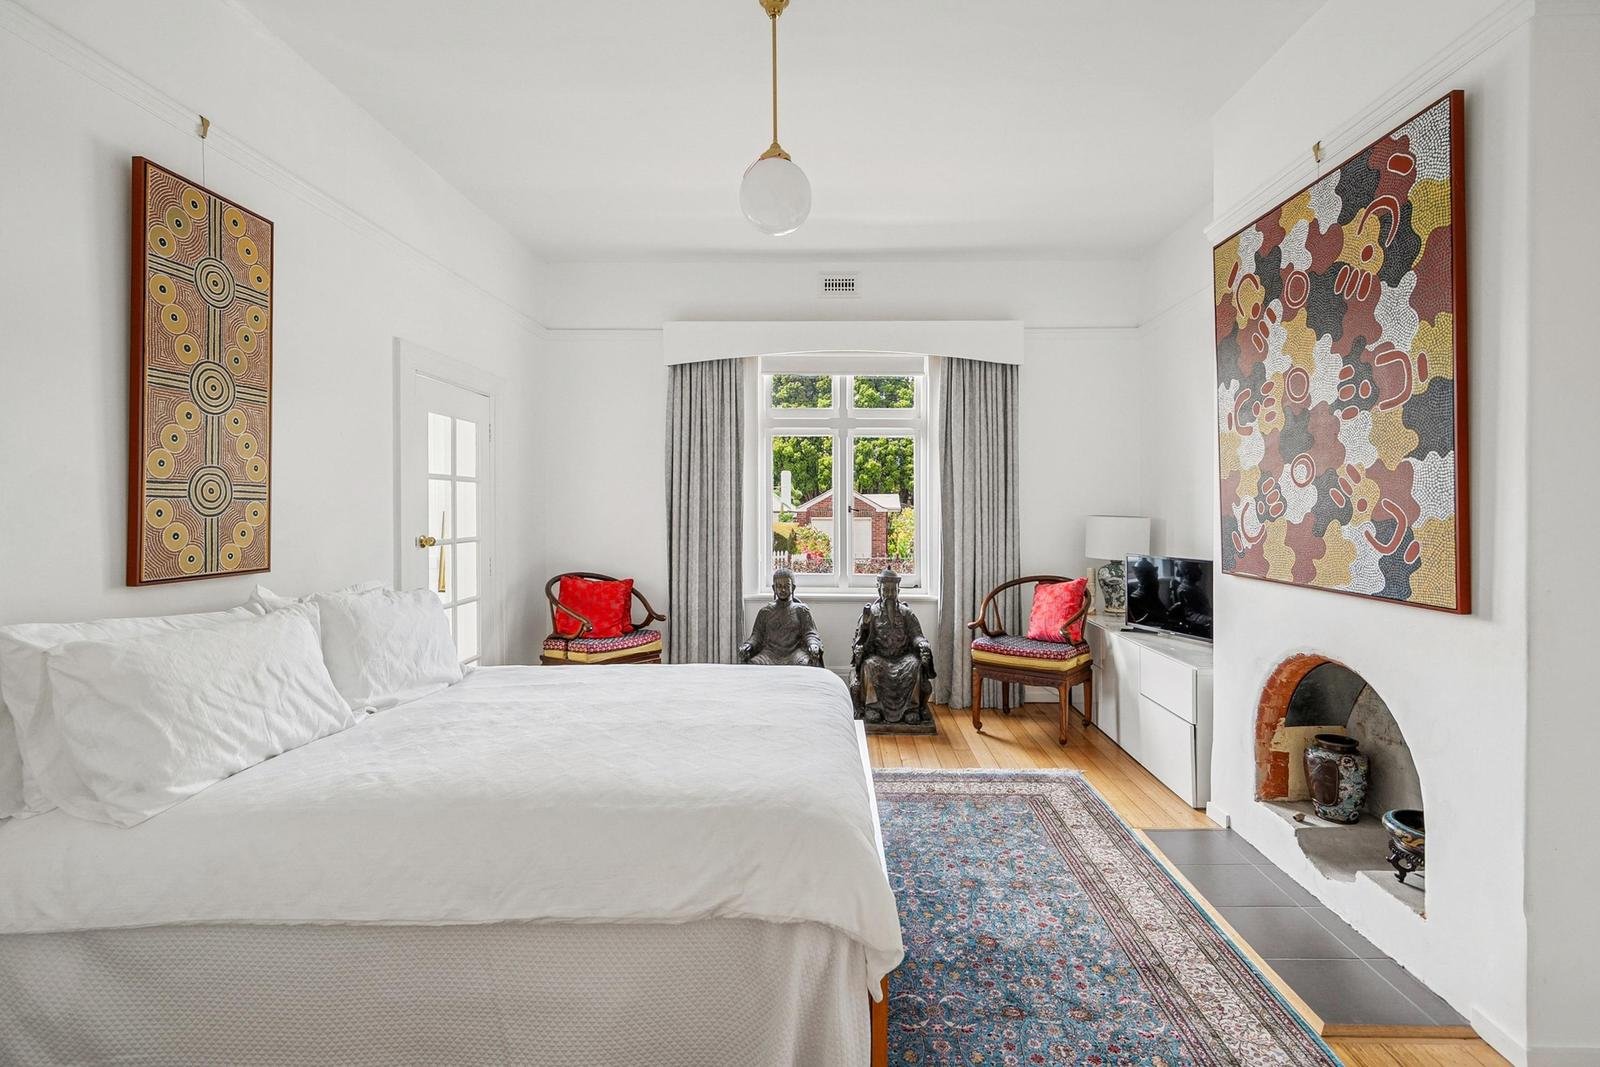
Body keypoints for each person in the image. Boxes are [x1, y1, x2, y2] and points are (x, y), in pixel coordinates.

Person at [849, 569, 935, 726]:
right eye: (886, 590)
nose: (889, 594)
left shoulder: (906, 613)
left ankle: (911, 709)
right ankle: (873, 707)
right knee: (869, 665)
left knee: (914, 664)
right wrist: (865, 631)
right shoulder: (871, 613)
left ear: (898, 591)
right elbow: (862, 640)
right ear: (879, 590)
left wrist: (922, 643)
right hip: (879, 657)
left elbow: (916, 635)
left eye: (893, 590)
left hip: (902, 657)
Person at [738, 568, 824, 666]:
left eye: (786, 586)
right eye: (779, 586)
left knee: (805, 664)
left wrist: (813, 644)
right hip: (769, 654)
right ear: (774, 588)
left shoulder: (801, 610)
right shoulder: (765, 612)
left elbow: (810, 633)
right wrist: (748, 645)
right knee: (753, 663)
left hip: (794, 653)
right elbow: (756, 636)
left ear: (793, 588)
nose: (782, 589)